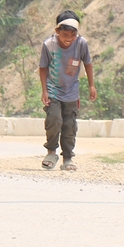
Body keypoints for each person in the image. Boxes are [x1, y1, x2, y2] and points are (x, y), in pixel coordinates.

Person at [39, 10, 97, 171]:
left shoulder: (81, 44)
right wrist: (44, 90)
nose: (69, 39)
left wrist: (91, 85)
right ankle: (51, 152)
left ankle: (68, 158)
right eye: (65, 35)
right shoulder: (49, 45)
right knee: (54, 120)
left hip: (71, 91)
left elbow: (88, 63)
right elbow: (43, 68)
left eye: (73, 35)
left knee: (70, 124)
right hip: (53, 90)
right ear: (57, 31)